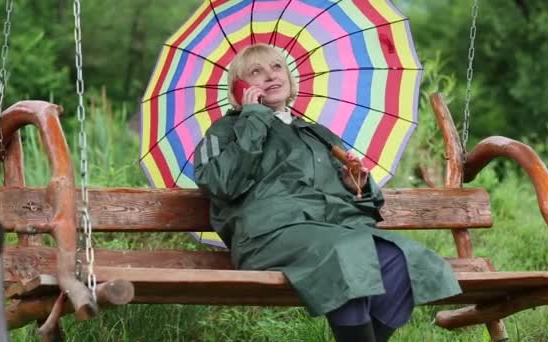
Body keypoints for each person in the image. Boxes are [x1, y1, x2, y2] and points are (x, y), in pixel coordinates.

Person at [193, 44, 461, 342]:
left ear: (290, 78)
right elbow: (221, 184)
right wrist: (253, 118)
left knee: (403, 258)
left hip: (330, 233)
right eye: (256, 72)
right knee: (347, 255)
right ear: (240, 89)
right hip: (266, 238)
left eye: (277, 67)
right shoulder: (225, 131)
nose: (270, 76)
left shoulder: (316, 133)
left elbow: (366, 203)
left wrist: (355, 183)